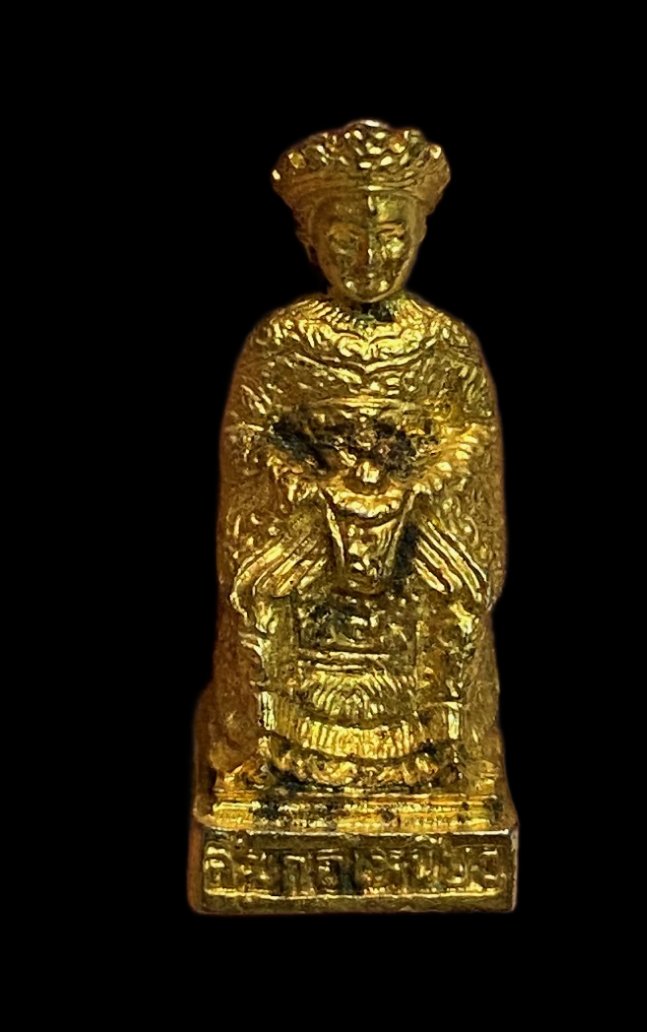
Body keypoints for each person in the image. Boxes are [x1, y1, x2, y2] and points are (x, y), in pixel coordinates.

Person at [200, 120, 507, 795]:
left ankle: (444, 754)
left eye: (391, 236)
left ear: (417, 237)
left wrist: (422, 486)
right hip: (311, 516)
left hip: (414, 519)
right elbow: (249, 433)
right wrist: (305, 484)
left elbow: (472, 432)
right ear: (312, 242)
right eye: (347, 239)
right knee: (261, 599)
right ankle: (269, 749)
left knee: (456, 601)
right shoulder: (284, 339)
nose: (370, 257)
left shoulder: (443, 343)